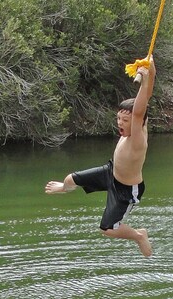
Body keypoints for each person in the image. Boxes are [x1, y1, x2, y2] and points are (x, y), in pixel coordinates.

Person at [45, 55, 156, 257]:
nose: (120, 123)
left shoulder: (138, 138)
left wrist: (145, 79)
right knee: (70, 179)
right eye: (118, 118)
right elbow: (147, 96)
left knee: (108, 229)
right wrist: (150, 67)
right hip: (111, 171)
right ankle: (65, 188)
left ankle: (139, 235)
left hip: (126, 189)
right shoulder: (130, 130)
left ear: (138, 122)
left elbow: (141, 109)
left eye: (125, 120)